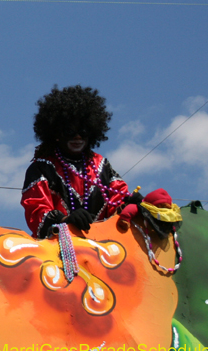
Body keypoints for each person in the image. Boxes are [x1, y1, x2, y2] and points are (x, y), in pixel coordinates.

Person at [21, 85, 133, 238]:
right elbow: (36, 209)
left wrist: (131, 205)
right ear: (57, 133)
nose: (78, 137)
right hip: (57, 249)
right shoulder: (42, 167)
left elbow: (117, 200)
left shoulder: (102, 165)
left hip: (103, 250)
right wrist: (65, 220)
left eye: (83, 131)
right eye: (70, 131)